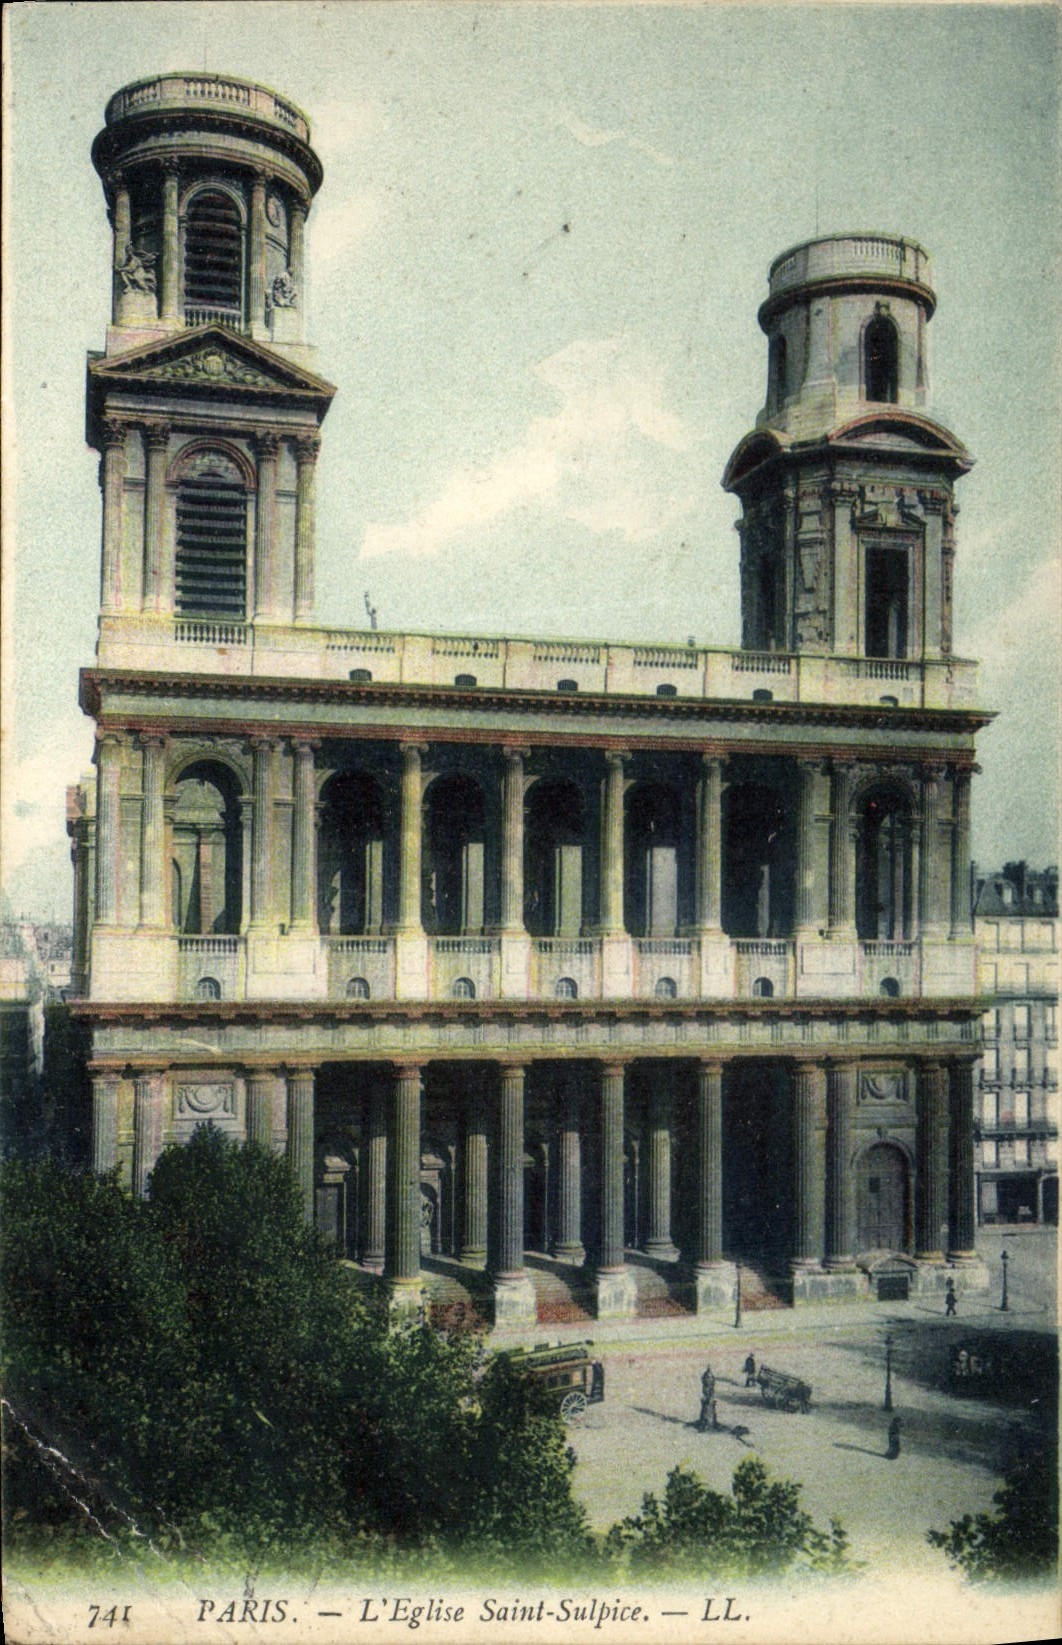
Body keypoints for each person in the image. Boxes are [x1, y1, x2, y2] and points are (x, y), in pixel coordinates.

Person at [696, 1364, 716, 1430]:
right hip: (706, 1400)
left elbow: (712, 1392)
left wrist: (710, 1398)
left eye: (710, 1378)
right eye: (707, 1378)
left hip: (709, 1401)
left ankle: (709, 1423)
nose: (708, 1379)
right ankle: (705, 1423)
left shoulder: (711, 1387)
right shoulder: (705, 1387)